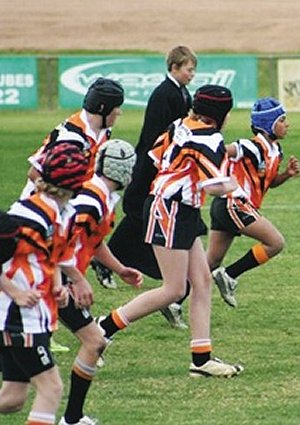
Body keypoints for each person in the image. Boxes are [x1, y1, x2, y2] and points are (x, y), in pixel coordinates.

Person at [95, 84, 244, 378]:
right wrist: (235, 187)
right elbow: (213, 186)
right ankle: (102, 329)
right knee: (173, 289)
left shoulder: (180, 124)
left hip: (177, 208)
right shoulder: (211, 139)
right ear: (221, 114)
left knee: (201, 281)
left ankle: (201, 359)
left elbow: (155, 155)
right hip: (172, 210)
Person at [91, 45, 197, 329]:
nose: (192, 74)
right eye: (188, 69)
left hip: (161, 169)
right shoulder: (165, 94)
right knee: (139, 216)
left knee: (142, 219)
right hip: (151, 168)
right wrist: (160, 165)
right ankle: (108, 261)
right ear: (174, 67)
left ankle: (117, 263)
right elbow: (155, 134)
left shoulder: (180, 93)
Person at [20, 76, 125, 353]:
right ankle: (39, 329)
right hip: (42, 214)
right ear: (103, 108)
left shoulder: (102, 132)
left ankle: (44, 326)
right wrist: (60, 200)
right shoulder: (70, 135)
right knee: (39, 271)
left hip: (64, 212)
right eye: (117, 108)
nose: (120, 113)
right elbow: (35, 171)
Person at [0, 143, 89, 425]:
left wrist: (58, 285)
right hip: (17, 317)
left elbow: (50, 256)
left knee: (13, 399)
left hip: (36, 316)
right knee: (51, 388)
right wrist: (14, 291)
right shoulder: (27, 216)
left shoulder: (64, 213)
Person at [58, 139, 143, 425]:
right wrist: (76, 279)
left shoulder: (102, 198)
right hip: (49, 280)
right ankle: (71, 419)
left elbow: (92, 241)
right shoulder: (90, 201)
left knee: (93, 342)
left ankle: (72, 418)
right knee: (92, 342)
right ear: (124, 171)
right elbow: (60, 243)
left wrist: (120, 269)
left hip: (58, 279)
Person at [207, 97, 300, 308]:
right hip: (234, 204)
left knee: (210, 261)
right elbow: (223, 150)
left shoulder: (275, 150)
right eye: (282, 119)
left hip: (227, 207)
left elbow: (268, 182)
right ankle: (230, 275)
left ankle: (175, 300)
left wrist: (286, 174)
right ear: (268, 124)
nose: (287, 124)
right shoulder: (252, 145)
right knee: (275, 242)